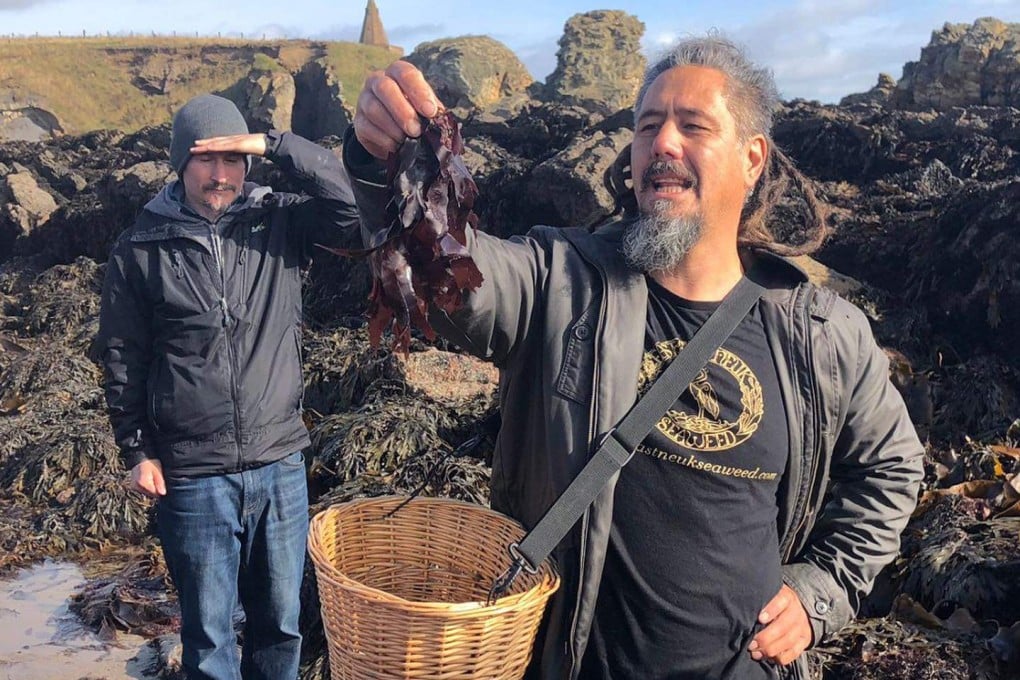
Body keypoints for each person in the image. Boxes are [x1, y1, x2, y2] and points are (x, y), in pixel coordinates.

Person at [345, 35, 925, 680]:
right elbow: (450, 272)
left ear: (752, 157)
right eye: (648, 126)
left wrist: (821, 591)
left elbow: (890, 470)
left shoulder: (822, 331)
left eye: (693, 125)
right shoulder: (559, 279)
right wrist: (383, 164)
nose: (663, 144)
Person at [96, 93, 359, 680]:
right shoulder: (141, 247)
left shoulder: (280, 222)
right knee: (209, 636)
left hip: (279, 462)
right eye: (205, 160)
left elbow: (349, 204)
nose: (221, 176)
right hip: (193, 474)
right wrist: (137, 450)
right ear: (178, 164)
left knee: (280, 626)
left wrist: (273, 145)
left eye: (232, 159)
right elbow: (121, 353)